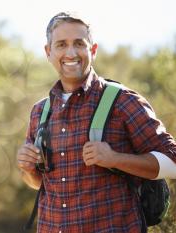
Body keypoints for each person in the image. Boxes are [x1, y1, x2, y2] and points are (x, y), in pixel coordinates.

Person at [17, 12, 176, 233]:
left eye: (79, 44)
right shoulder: (39, 112)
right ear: (48, 52)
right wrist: (27, 169)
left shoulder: (122, 101)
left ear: (93, 50)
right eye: (61, 44)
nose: (70, 52)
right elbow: (41, 184)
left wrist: (115, 159)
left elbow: (173, 161)